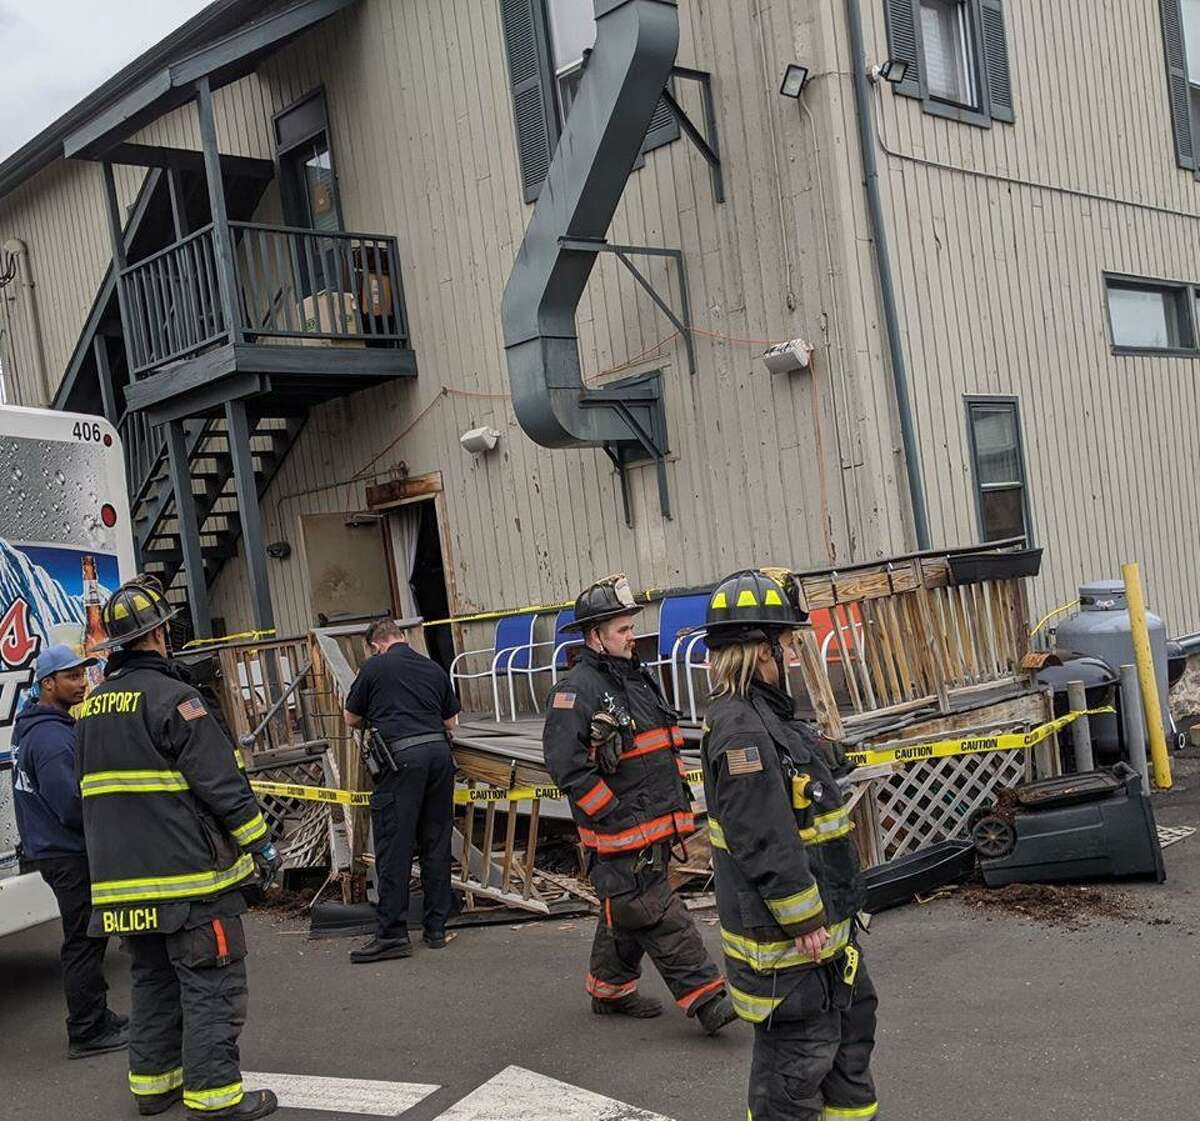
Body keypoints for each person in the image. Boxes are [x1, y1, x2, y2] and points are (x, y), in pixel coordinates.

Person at [75, 579, 281, 1120]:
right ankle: (215, 1101)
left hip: (123, 886)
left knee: (153, 983)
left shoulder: (93, 708)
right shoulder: (176, 699)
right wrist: (261, 844)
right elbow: (221, 783)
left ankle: (152, 1086)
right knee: (211, 984)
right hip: (190, 883)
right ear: (161, 633)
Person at [700, 569, 878, 1121]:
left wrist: (834, 756)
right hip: (790, 952)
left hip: (829, 938)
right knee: (795, 1074)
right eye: (785, 644)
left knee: (848, 1049)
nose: (793, 656)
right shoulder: (741, 734)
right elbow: (764, 840)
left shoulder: (769, 718)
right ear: (757, 651)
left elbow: (803, 768)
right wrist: (803, 922)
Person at [543, 574, 735, 1035]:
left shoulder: (635, 677)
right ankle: (708, 997)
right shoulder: (577, 690)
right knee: (651, 908)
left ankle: (609, 991)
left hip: (653, 821)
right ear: (596, 636)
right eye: (623, 630)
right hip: (621, 829)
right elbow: (565, 765)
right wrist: (611, 812)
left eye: (631, 627)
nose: (633, 636)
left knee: (626, 907)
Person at [11, 643, 128, 1059]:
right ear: (48, 684)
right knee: (83, 940)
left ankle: (98, 1015)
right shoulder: (50, 739)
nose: (83, 684)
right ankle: (86, 1029)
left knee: (90, 937)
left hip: (54, 851)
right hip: (66, 852)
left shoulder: (42, 729)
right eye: (73, 677)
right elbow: (70, 805)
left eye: (84, 675)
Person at [343, 617, 461, 963]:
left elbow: (351, 718)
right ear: (402, 637)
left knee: (394, 845)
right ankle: (436, 928)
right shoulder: (432, 667)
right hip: (439, 757)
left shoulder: (374, 667)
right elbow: (451, 722)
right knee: (435, 842)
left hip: (400, 760)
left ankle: (393, 934)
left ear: (376, 644)